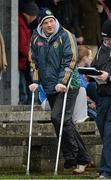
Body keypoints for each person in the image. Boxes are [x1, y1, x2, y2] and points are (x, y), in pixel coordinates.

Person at [29, 8, 92, 174]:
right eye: (45, 22)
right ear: (41, 24)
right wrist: (35, 81)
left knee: (58, 117)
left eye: (51, 21)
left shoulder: (66, 35)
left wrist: (62, 82)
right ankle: (83, 158)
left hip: (69, 84)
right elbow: (34, 62)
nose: (50, 25)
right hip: (50, 86)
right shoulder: (36, 38)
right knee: (63, 121)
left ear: (55, 21)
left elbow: (70, 61)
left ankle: (72, 156)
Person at [91, 20, 111, 179]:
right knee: (104, 132)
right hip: (102, 97)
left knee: (109, 133)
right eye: (105, 39)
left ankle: (105, 170)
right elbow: (95, 65)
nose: (107, 42)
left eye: (109, 39)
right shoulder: (102, 49)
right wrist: (89, 73)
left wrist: (109, 77)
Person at [18, 1, 39, 104]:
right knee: (22, 90)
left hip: (23, 61)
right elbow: (22, 46)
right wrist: (31, 56)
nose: (34, 19)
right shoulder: (20, 23)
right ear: (29, 14)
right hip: (21, 62)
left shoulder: (23, 23)